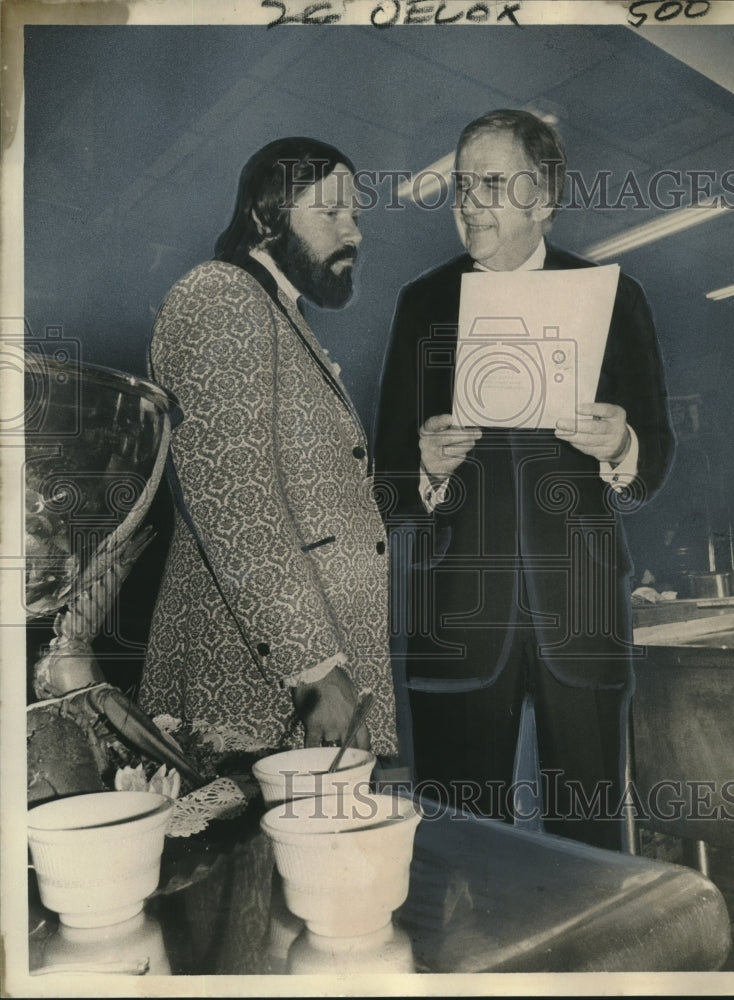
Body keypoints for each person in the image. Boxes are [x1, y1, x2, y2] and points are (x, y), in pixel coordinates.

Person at [373, 110, 675, 850]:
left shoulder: (613, 295)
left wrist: (622, 445)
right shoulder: (421, 303)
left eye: (490, 183)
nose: (468, 200)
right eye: (460, 186)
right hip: (458, 615)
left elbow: (656, 454)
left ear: (542, 198)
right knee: (457, 841)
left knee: (593, 838)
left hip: (582, 607)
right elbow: (384, 478)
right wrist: (424, 470)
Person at [139, 137, 397, 757]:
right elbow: (234, 501)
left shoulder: (280, 314)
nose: (354, 231)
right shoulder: (221, 296)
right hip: (261, 691)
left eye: (356, 215)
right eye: (332, 211)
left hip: (311, 682)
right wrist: (314, 669)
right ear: (264, 216)